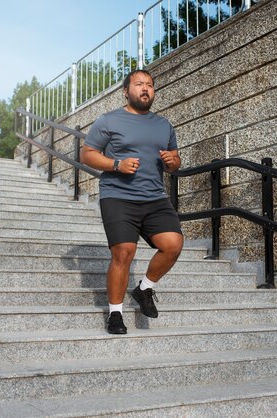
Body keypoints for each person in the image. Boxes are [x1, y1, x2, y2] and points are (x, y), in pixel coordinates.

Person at [80, 69, 183, 334]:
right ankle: (115, 314)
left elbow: (174, 159)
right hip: (118, 196)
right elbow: (88, 154)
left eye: (149, 85)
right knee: (123, 252)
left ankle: (145, 288)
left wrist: (173, 162)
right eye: (139, 84)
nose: (145, 88)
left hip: (154, 197)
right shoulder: (108, 121)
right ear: (126, 91)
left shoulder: (164, 125)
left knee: (173, 244)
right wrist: (116, 164)